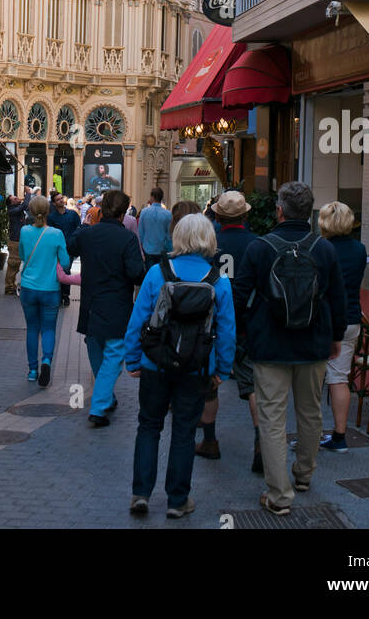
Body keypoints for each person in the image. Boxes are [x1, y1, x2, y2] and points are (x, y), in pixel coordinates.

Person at [234, 182, 346, 516]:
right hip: (314, 344)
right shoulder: (324, 249)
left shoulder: (259, 248)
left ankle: (279, 494)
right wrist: (335, 336)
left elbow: (241, 297)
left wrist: (247, 335)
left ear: (280, 210)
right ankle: (303, 475)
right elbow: (337, 299)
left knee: (272, 417)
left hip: (269, 345)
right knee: (311, 411)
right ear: (309, 211)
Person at [125, 213, 236, 519]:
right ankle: (177, 500)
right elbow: (227, 331)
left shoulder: (157, 273)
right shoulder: (218, 280)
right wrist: (222, 370)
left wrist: (133, 358)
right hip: (196, 368)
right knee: (185, 432)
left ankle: (141, 494)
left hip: (154, 364)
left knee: (149, 426)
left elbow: (138, 319)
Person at [67, 189, 146, 426]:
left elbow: (70, 247)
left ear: (101, 211)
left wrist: (85, 225)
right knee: (113, 355)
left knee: (96, 349)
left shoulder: (88, 235)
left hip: (90, 303)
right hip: (116, 305)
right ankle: (99, 407)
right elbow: (136, 275)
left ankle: (106, 397)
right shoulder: (127, 239)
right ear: (123, 214)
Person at [196, 191, 261, 472]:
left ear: (218, 216)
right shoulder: (258, 244)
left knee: (210, 384)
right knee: (254, 387)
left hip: (213, 323)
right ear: (245, 215)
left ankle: (209, 442)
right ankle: (261, 445)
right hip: (248, 324)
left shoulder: (210, 244)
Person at [318, 201, 368, 452]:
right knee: (339, 379)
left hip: (321, 321)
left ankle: (311, 434)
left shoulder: (319, 249)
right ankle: (339, 437)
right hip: (350, 320)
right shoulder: (360, 250)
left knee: (312, 381)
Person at [18, 195, 70, 384]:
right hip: (50, 289)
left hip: (28, 288)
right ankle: (47, 359)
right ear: (48, 212)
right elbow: (65, 263)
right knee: (48, 328)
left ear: (31, 212)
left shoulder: (24, 231)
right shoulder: (56, 234)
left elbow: (23, 255)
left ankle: (32, 370)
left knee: (32, 328)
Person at [47, 193, 81, 306]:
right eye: (58, 199)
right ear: (54, 203)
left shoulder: (72, 214)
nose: (61, 200)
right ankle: (59, 294)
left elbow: (78, 228)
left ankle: (65, 295)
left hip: (70, 247)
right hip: (57, 248)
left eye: (62, 198)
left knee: (66, 270)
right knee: (58, 271)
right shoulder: (51, 217)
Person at [5, 187, 32, 296]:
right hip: (15, 240)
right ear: (12, 203)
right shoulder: (12, 210)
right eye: (15, 198)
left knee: (17, 263)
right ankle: (9, 287)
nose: (17, 198)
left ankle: (12, 285)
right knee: (13, 263)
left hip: (20, 240)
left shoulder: (16, 209)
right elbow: (25, 205)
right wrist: (28, 193)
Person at [138, 187, 171, 269]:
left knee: (150, 272)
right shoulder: (168, 214)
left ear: (152, 197)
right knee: (162, 272)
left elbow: (141, 232)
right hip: (162, 248)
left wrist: (141, 245)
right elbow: (169, 234)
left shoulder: (144, 212)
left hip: (148, 248)